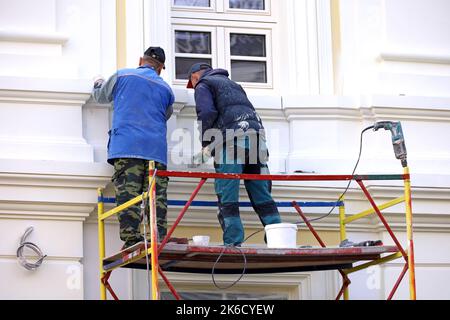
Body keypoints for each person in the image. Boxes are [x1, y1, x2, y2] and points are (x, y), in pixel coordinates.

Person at [187, 63, 282, 246]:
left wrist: (207, 144)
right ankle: (277, 238)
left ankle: (233, 241)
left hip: (231, 141)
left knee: (227, 192)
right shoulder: (234, 85)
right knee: (262, 193)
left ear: (194, 76)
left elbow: (206, 112)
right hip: (257, 139)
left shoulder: (204, 84)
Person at [92, 47, 174, 249]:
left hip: (127, 146)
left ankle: (131, 239)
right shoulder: (166, 89)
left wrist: (98, 83)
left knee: (129, 196)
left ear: (141, 60)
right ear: (161, 68)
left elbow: (101, 96)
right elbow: (166, 114)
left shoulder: (123, 75)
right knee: (156, 197)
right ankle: (158, 238)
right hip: (155, 150)